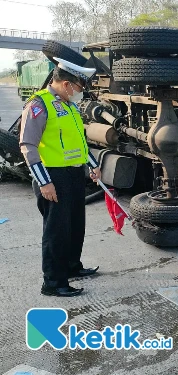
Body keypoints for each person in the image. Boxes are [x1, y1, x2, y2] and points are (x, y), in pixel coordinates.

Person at [19, 58, 100, 297]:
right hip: (54, 177)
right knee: (57, 231)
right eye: (79, 88)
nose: (80, 94)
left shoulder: (69, 106)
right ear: (67, 84)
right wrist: (45, 182)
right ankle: (53, 282)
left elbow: (79, 142)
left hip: (74, 174)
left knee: (75, 226)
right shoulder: (38, 105)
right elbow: (28, 146)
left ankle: (72, 266)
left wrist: (93, 165)